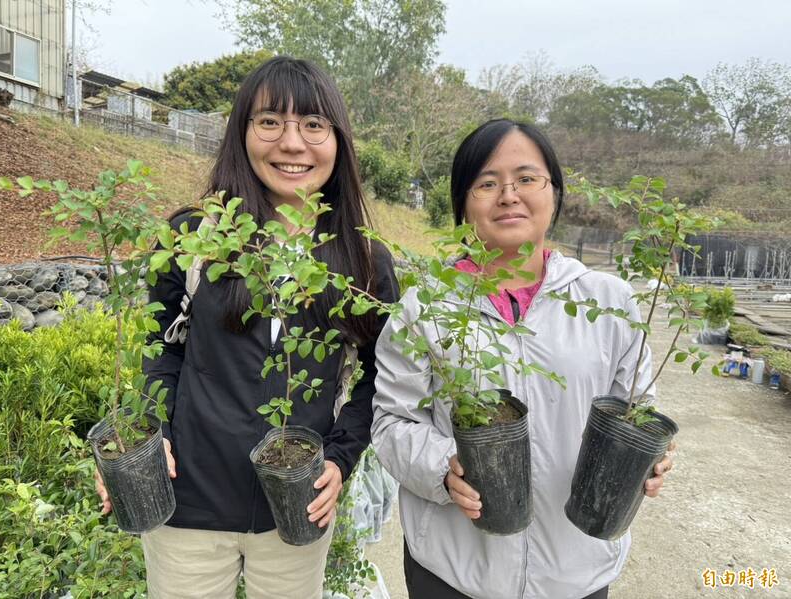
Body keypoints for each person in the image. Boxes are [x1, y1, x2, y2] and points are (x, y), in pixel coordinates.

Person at [94, 56, 398, 599]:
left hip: (296, 505)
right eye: (269, 122)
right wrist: (146, 436)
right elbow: (162, 347)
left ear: (339, 140)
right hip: (187, 498)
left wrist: (340, 456)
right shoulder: (193, 236)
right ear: (242, 133)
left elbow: (383, 376)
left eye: (312, 124)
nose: (292, 143)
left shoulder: (363, 259)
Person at [371, 119, 674, 599]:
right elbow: (392, 420)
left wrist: (648, 459)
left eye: (527, 179)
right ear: (463, 205)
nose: (508, 195)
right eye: (487, 183)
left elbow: (636, 409)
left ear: (554, 191)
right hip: (453, 568)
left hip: (575, 568)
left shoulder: (609, 300)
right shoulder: (426, 306)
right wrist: (442, 467)